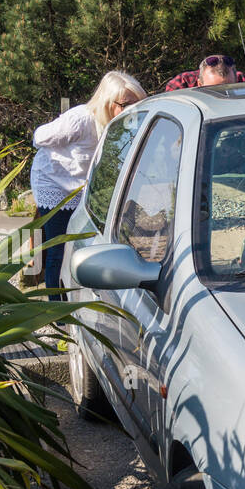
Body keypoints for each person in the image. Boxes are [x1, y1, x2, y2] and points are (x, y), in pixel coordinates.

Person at [31, 71, 146, 311]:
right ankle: (58, 311)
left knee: (90, 243)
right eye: (125, 105)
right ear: (108, 102)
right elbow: (39, 137)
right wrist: (63, 157)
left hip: (83, 186)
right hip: (53, 184)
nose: (131, 111)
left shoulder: (122, 125)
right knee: (57, 249)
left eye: (137, 104)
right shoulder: (79, 119)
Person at [163, 54, 245, 92]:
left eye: (229, 88)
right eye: (214, 89)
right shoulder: (181, 84)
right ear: (199, 84)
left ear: (237, 82)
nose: (223, 93)